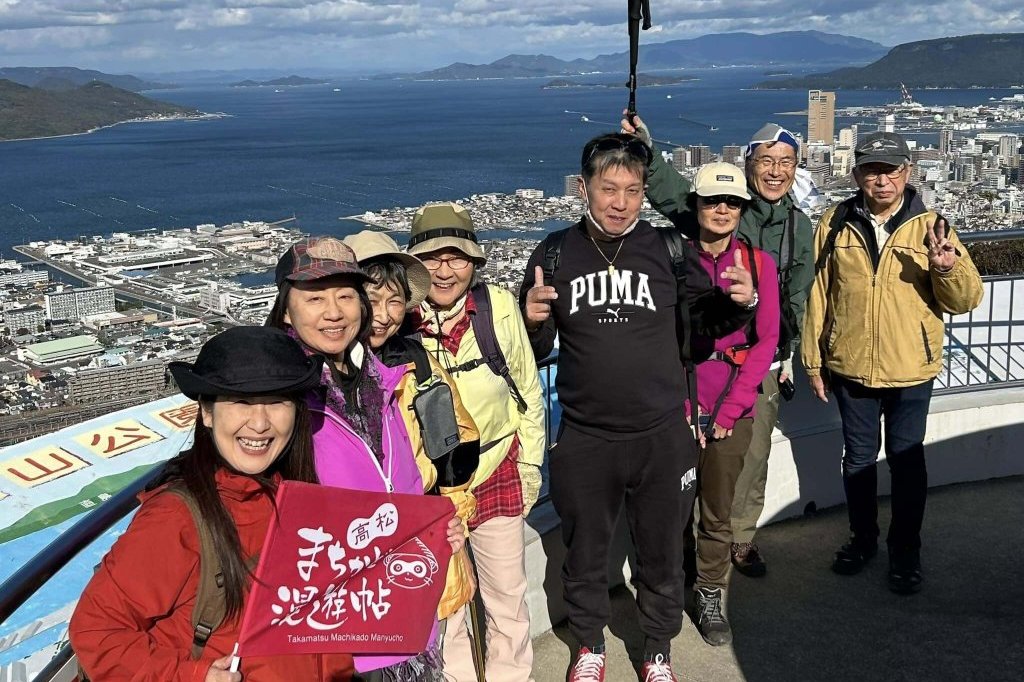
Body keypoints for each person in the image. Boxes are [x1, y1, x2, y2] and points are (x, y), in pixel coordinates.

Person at [520, 133, 756, 682]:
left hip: (661, 434)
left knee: (662, 553)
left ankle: (656, 649)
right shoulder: (555, 253)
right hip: (585, 435)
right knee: (583, 554)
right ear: (584, 189)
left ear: (644, 191)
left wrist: (741, 307)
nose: (620, 202)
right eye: (608, 189)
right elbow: (529, 348)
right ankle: (588, 646)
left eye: (632, 189)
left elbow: (704, 330)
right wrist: (531, 320)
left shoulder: (669, 249)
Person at [69, 326, 356, 681]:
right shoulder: (177, 517)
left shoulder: (301, 499)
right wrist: (194, 676)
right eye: (240, 402)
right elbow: (96, 632)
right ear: (206, 413)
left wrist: (433, 543)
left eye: (278, 401)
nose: (260, 423)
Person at [622, 114, 814, 578]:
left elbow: (799, 296)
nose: (775, 170)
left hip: (760, 359)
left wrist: (789, 354)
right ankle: (698, 545)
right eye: (766, 161)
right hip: (700, 360)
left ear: (795, 169)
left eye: (785, 162)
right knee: (695, 460)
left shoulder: (798, 228)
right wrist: (645, 150)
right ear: (749, 167)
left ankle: (740, 539)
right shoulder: (722, 211)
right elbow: (673, 193)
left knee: (750, 459)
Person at [267, 237, 465, 681]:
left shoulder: (377, 380)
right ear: (285, 310)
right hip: (334, 627)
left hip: (399, 607)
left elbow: (400, 484)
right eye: (315, 298)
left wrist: (434, 524)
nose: (334, 312)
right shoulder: (281, 393)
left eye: (344, 296)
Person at [802, 131, 983, 594]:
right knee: (858, 459)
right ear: (856, 172)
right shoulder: (836, 221)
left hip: (911, 366)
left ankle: (906, 549)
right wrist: (813, 359)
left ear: (909, 172)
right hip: (851, 363)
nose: (882, 179)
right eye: (872, 170)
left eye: (892, 169)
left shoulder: (932, 225)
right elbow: (820, 294)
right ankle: (863, 540)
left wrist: (946, 267)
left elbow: (965, 300)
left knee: (907, 462)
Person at [406, 202, 546, 682]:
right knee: (448, 607)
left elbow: (527, 393)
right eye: (431, 258)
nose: (445, 271)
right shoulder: (398, 322)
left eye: (457, 257)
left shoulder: (498, 308)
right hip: (433, 487)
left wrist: (529, 467)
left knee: (507, 597)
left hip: (494, 469)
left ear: (474, 262)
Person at [342, 229, 481, 622]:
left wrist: (454, 523)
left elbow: (456, 450)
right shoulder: (320, 376)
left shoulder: (417, 365)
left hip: (419, 534)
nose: (384, 315)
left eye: (395, 301)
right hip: (348, 549)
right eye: (371, 300)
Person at [679, 163, 779, 647]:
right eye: (713, 201)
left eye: (732, 203)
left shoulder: (759, 264)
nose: (722, 210)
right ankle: (674, 583)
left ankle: (710, 591)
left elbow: (766, 344)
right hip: (679, 405)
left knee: (716, 512)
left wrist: (728, 411)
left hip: (730, 407)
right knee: (672, 508)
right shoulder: (675, 261)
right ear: (695, 205)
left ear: (743, 209)